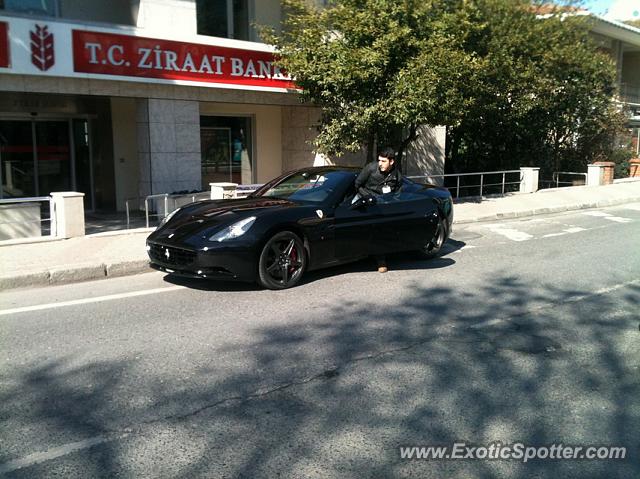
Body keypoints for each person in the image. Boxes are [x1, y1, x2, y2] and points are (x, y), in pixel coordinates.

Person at [353, 147, 402, 273]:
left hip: (382, 205)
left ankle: (381, 260)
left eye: (383, 161)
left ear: (391, 162)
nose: (380, 163)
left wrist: (393, 204)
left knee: (382, 229)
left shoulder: (396, 174)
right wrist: (367, 197)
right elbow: (357, 184)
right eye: (379, 160)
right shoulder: (370, 168)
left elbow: (398, 193)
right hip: (365, 200)